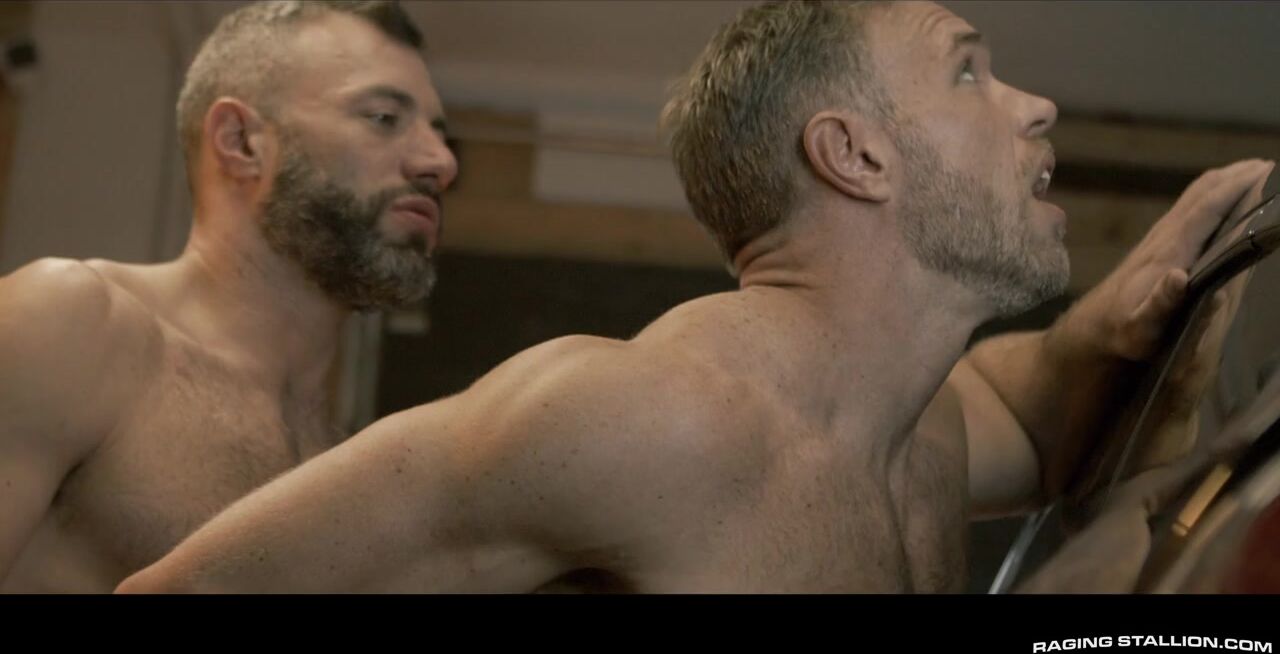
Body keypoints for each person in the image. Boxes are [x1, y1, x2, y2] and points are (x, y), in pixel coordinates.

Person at [117, 0, 1272, 593]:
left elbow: (1035, 412)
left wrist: (1147, 292)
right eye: (966, 69)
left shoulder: (917, 428)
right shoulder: (640, 416)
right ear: (854, 155)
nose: (1032, 106)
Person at [0, 0, 457, 592]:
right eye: (383, 118)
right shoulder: (69, 323)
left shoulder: (345, 464)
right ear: (240, 141)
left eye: (439, 134)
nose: (441, 162)